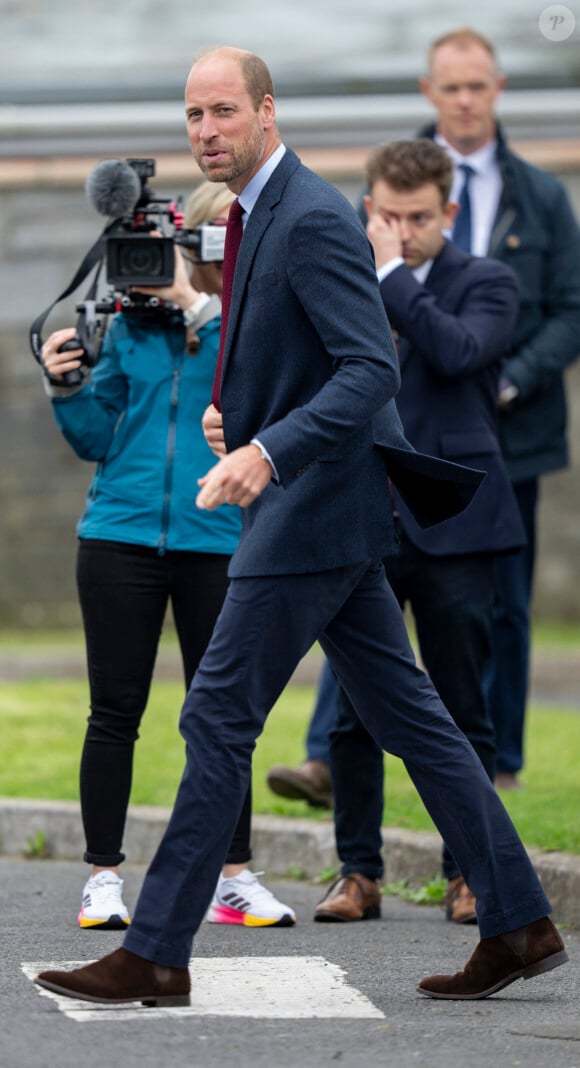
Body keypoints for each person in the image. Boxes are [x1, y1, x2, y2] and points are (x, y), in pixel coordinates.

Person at [35, 45, 567, 1007]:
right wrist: (233, 414)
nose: (206, 132)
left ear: (267, 111)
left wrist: (266, 452)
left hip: (311, 511)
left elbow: (370, 368)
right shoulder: (250, 214)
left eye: (224, 112)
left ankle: (156, 949)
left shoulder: (313, 214)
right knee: (418, 722)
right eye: (194, 115)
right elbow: (303, 358)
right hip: (325, 511)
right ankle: (521, 919)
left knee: (215, 715)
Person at [39, 178, 296, 931]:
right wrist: (65, 389)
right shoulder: (127, 329)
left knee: (221, 715)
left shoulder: (245, 324)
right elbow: (95, 439)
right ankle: (102, 877)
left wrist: (198, 309)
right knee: (113, 712)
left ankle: (233, 878)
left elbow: (261, 402)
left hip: (218, 538)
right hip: (117, 536)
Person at [313, 139, 524, 927]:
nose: (400, 231)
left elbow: (459, 352)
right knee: (351, 709)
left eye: (419, 218)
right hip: (362, 514)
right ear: (369, 206)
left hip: (456, 524)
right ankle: (357, 872)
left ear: (451, 212)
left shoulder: (488, 282)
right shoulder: (341, 278)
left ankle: (469, 874)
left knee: (464, 707)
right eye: (388, 216)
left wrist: (391, 275)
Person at [418, 26, 580, 789]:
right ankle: (334, 756)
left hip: (512, 433)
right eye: (451, 87)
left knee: (505, 603)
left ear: (500, 89)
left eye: (477, 85)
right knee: (374, 589)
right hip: (412, 431)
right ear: (429, 93)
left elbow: (572, 312)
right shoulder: (393, 185)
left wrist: (508, 380)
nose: (465, 100)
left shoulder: (541, 195)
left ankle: (501, 763)